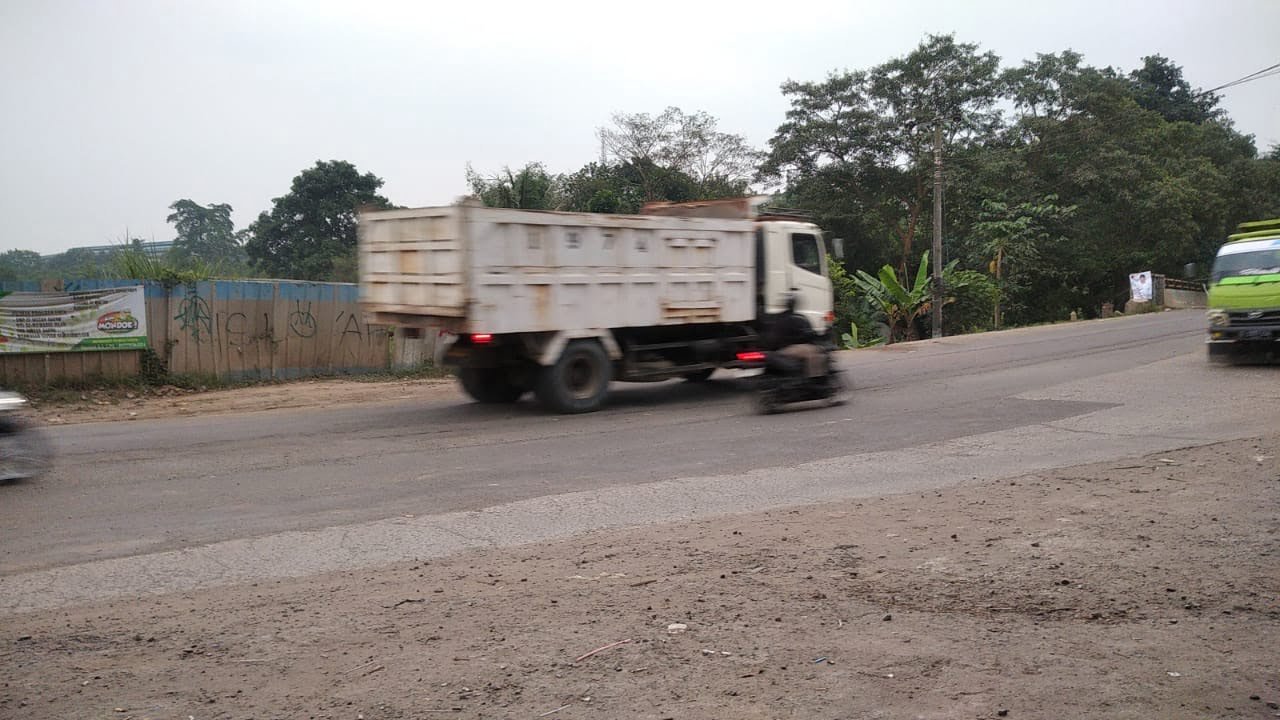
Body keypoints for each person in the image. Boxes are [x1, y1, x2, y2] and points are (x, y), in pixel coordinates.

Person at [764, 294, 827, 378]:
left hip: (789, 348)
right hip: (791, 348)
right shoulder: (797, 318)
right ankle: (815, 379)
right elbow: (808, 334)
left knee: (814, 351)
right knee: (813, 352)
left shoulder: (784, 318)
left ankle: (814, 378)